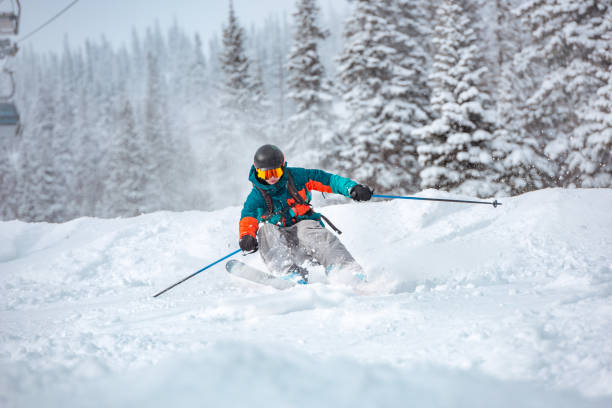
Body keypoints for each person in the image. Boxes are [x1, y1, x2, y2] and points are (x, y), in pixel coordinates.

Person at [238, 144, 373, 283]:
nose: (271, 178)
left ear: (283, 167)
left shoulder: (297, 177)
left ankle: (345, 269)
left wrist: (352, 188)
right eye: (265, 174)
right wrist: (246, 236)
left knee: (307, 230)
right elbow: (248, 215)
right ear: (257, 172)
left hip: (305, 227)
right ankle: (288, 274)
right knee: (266, 231)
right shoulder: (256, 195)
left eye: (275, 172)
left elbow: (327, 180)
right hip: (280, 237)